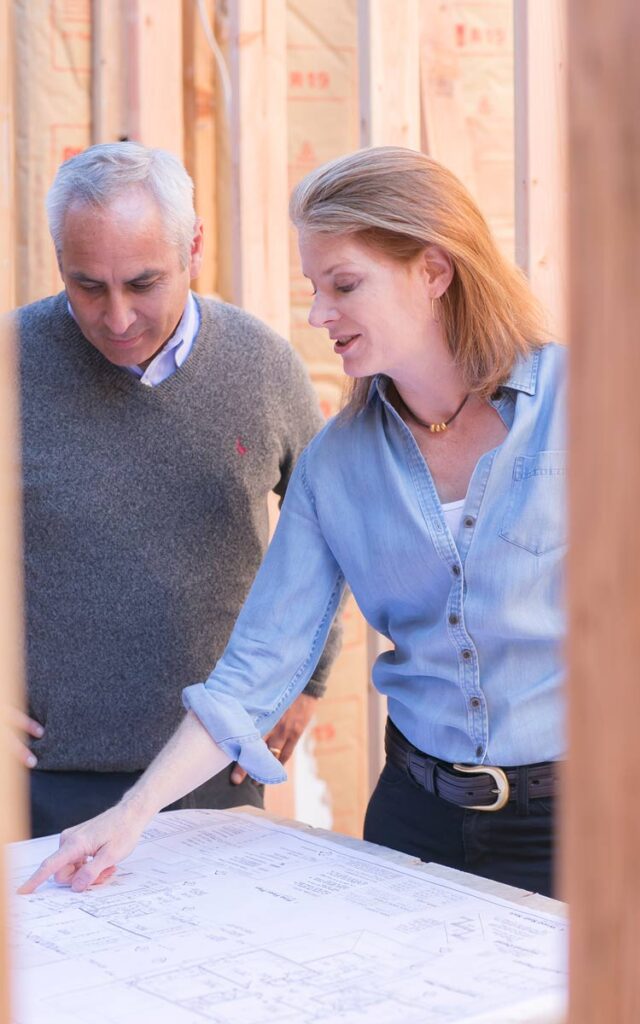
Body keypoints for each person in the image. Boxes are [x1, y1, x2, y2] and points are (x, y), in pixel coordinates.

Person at [21, 146, 565, 898]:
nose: (316, 314)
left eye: (344, 284)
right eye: (314, 287)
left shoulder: (586, 403)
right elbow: (257, 664)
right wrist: (132, 815)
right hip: (416, 819)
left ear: (433, 271)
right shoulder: (337, 464)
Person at [11, 141, 341, 838]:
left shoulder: (262, 367)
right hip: (39, 775)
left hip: (211, 767)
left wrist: (305, 678)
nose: (118, 318)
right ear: (59, 259)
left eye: (143, 283)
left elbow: (337, 530)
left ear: (193, 247)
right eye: (88, 286)